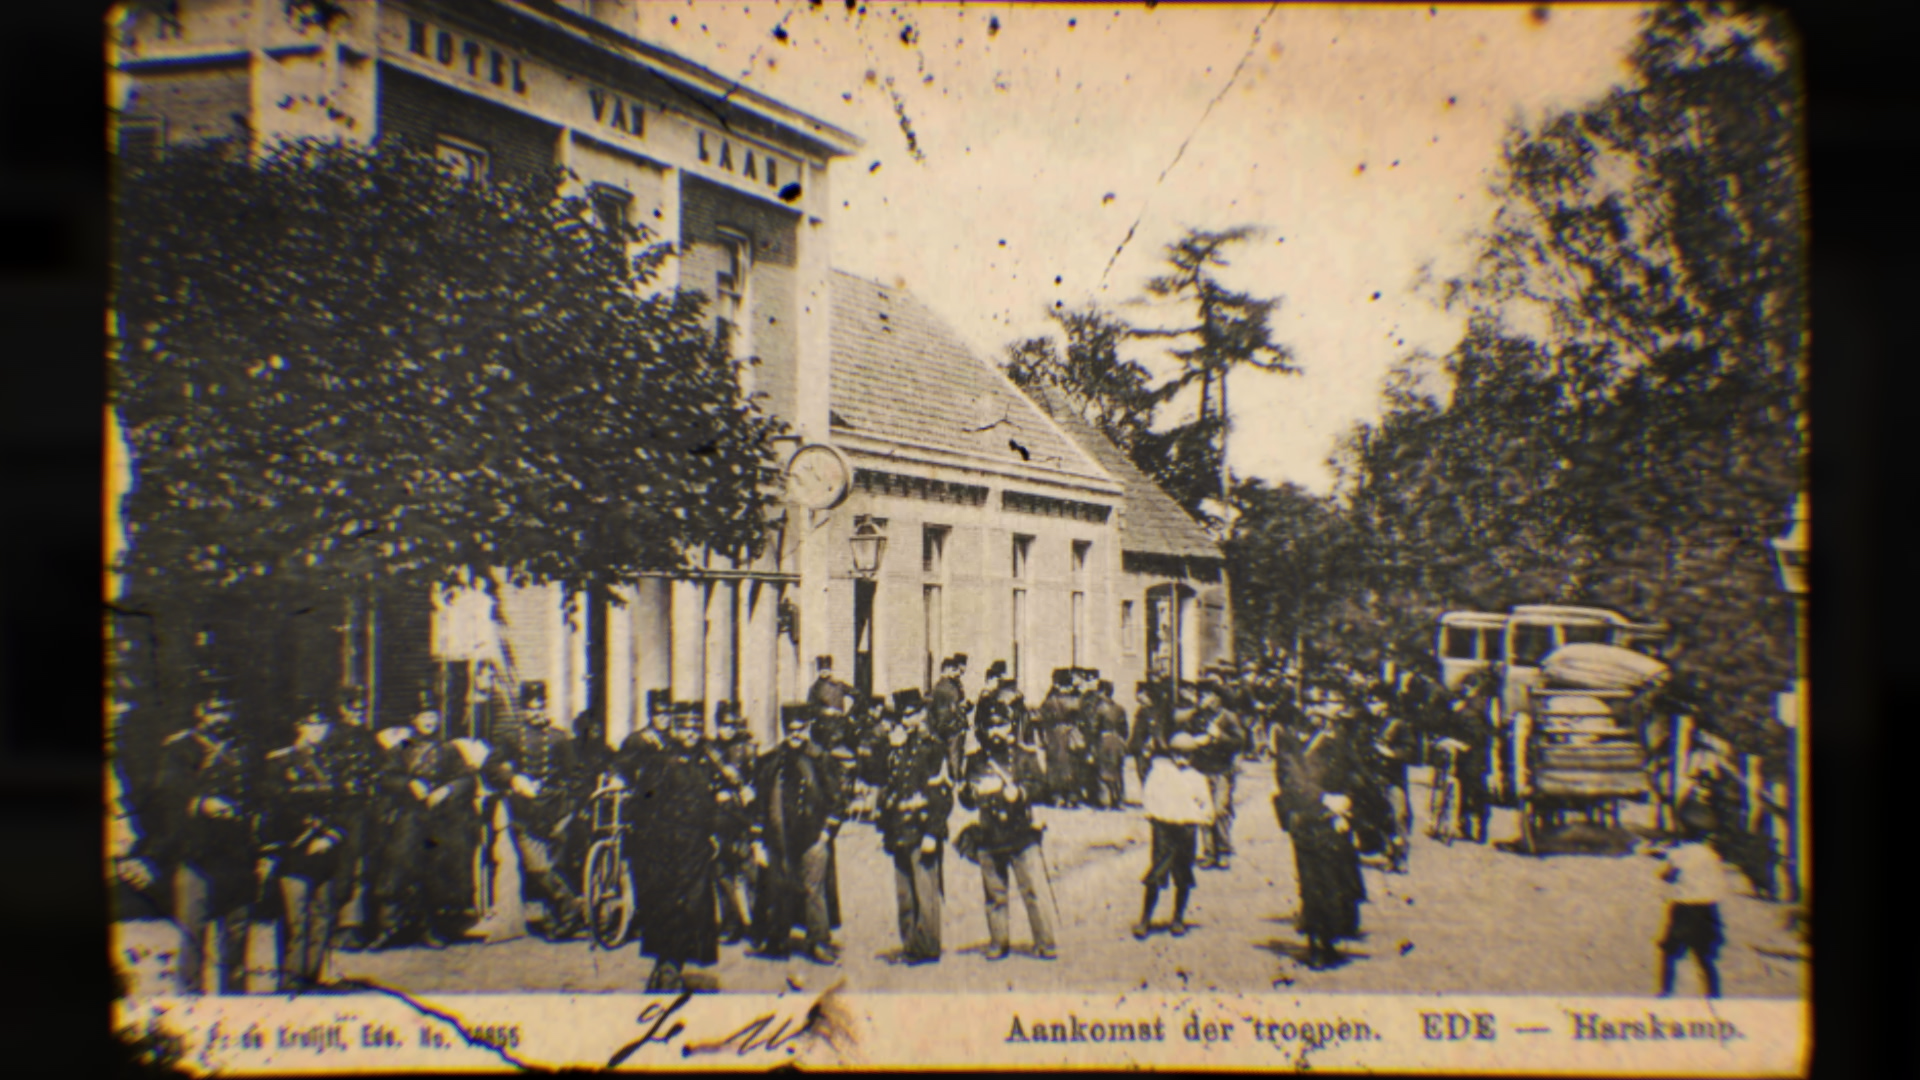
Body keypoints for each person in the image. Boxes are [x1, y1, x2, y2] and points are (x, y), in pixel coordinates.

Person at [152, 678, 255, 994]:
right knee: (194, 932)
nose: (223, 717)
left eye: (228, 710)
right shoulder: (180, 748)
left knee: (237, 934)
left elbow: (259, 791)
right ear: (200, 712)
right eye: (216, 711)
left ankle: (235, 1002)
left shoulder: (245, 748)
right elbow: (167, 793)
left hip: (237, 853)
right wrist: (202, 803)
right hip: (198, 852)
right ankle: (190, 1001)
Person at [629, 704, 729, 991]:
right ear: (675, 728)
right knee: (666, 904)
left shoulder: (707, 759)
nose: (691, 734)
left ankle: (673, 964)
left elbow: (717, 798)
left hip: (697, 847)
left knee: (693, 906)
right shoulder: (661, 760)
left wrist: (717, 831)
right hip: (664, 845)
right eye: (686, 728)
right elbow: (644, 803)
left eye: (696, 728)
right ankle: (666, 965)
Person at [483, 683, 589, 941]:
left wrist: (568, 801)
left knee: (556, 865)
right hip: (525, 811)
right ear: (523, 710)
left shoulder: (559, 737)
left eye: (541, 707)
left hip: (556, 808)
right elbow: (491, 766)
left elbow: (577, 774)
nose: (537, 713)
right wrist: (513, 779)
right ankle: (572, 907)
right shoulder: (512, 737)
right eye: (532, 709)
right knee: (536, 866)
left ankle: (561, 920)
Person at [369, 708, 477, 950]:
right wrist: (409, 784)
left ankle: (431, 928)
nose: (429, 722)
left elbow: (468, 779)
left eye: (433, 717)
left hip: (440, 819)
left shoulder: (448, 749)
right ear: (413, 719)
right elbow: (385, 778)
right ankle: (389, 927)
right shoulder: (401, 749)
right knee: (399, 866)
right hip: (409, 817)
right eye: (424, 717)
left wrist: (446, 790)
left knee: (435, 869)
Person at [957, 703, 1058, 961]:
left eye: (1001, 725)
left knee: (1033, 889)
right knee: (994, 893)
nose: (996, 731)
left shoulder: (1024, 755)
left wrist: (1021, 793)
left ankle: (1045, 941)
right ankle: (998, 941)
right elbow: (969, 800)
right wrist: (967, 793)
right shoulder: (975, 760)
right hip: (989, 833)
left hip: (1020, 833)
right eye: (990, 726)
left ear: (1011, 726)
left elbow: (1043, 787)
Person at [260, 703, 350, 991]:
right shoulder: (280, 762)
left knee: (323, 916)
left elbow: (348, 805)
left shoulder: (336, 762)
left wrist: (332, 836)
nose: (319, 731)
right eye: (312, 725)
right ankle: (291, 980)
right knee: (296, 919)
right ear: (299, 727)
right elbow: (275, 807)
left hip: (327, 849)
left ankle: (313, 977)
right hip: (294, 850)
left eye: (323, 725)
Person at [1272, 694, 1367, 969]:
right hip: (1307, 820)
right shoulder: (1290, 744)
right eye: (1314, 705)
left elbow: (1357, 774)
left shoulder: (1339, 741)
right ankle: (1317, 945)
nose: (1319, 713)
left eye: (1325, 707)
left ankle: (1329, 940)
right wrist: (1325, 799)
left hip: (1337, 819)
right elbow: (1291, 782)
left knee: (1338, 880)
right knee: (1314, 883)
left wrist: (1348, 803)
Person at [750, 705, 846, 964]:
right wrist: (759, 838)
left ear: (808, 728)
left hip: (812, 837)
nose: (796, 734)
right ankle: (777, 940)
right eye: (791, 730)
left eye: (801, 729)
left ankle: (818, 941)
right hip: (778, 838)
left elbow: (837, 800)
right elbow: (760, 802)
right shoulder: (772, 760)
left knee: (813, 890)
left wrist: (826, 833)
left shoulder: (820, 759)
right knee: (778, 887)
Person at [876, 689, 953, 965]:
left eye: (911, 714)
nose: (907, 720)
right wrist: (890, 746)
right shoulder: (898, 745)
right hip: (899, 828)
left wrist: (933, 831)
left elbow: (942, 796)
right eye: (903, 715)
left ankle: (927, 946)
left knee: (925, 889)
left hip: (923, 828)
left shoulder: (933, 747)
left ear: (922, 714)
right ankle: (909, 943)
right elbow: (879, 776)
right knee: (904, 892)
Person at [1133, 702, 1216, 939]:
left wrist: (1202, 817)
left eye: (1187, 755)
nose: (1182, 759)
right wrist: (1153, 817)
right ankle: (1145, 919)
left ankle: (1178, 918)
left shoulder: (1197, 777)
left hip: (1187, 829)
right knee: (1157, 871)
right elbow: (1149, 796)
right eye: (1178, 754)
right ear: (1171, 753)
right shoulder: (1160, 772)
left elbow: (1206, 805)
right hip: (1164, 828)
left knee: (1183, 872)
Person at [1653, 800, 1730, 998]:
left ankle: (1666, 991)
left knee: (1669, 952)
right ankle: (1714, 995)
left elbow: (1667, 874)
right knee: (1705, 957)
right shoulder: (1711, 854)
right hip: (1706, 910)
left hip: (1684, 909)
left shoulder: (1680, 853)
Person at [326, 686, 382, 952]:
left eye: (363, 708)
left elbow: (379, 768)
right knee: (344, 867)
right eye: (355, 708)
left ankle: (355, 925)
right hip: (341, 811)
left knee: (363, 866)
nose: (361, 713)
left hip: (365, 810)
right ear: (343, 709)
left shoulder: (369, 738)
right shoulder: (332, 738)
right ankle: (338, 926)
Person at [709, 702, 759, 944]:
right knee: (722, 872)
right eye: (723, 725)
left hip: (741, 817)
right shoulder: (709, 750)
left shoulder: (746, 749)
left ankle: (756, 924)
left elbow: (756, 780)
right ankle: (731, 923)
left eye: (732, 725)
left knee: (749, 871)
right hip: (718, 819)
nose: (727, 729)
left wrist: (748, 791)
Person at [1192, 675, 1247, 871]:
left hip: (1222, 770)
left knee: (1220, 810)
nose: (1200, 699)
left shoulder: (1228, 717)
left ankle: (1223, 851)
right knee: (1205, 812)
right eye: (1200, 695)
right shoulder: (1198, 716)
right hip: (1202, 769)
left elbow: (1240, 742)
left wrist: (1219, 736)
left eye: (1205, 695)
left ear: (1215, 697)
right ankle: (1208, 852)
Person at [1032, 669, 1083, 807]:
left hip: (1056, 734)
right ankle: (1073, 796)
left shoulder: (1051, 700)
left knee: (1055, 763)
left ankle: (1057, 796)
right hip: (1073, 734)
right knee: (1073, 763)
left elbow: (1039, 716)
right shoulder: (1078, 700)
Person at [1087, 679, 1130, 810]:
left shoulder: (1098, 709)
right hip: (1117, 740)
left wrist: (1091, 744)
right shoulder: (1120, 708)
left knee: (1103, 770)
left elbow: (1093, 727)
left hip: (1104, 739)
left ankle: (1105, 800)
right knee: (1117, 770)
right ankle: (1118, 800)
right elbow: (1125, 729)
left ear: (1102, 692)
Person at [930, 654, 971, 781]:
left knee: (946, 760)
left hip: (943, 727)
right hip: (951, 728)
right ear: (946, 669)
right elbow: (954, 707)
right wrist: (960, 719)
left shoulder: (940, 685)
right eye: (954, 670)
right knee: (954, 760)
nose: (957, 673)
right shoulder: (948, 687)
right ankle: (955, 785)